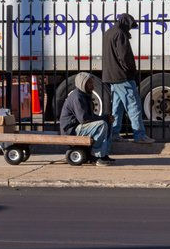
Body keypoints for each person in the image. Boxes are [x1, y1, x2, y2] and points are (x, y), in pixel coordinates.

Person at [102, 13, 154, 144]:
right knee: (133, 106)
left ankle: (113, 133)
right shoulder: (120, 34)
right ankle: (139, 135)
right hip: (122, 77)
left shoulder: (109, 32)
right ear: (126, 23)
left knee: (116, 107)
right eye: (130, 26)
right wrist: (132, 70)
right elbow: (124, 56)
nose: (130, 29)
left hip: (111, 76)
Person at [59, 72, 114, 166]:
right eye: (89, 83)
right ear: (82, 84)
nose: (92, 86)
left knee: (107, 122)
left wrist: (105, 118)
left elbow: (90, 116)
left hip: (79, 126)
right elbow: (84, 119)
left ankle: (103, 154)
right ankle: (96, 156)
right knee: (102, 124)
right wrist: (103, 119)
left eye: (92, 83)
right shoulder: (77, 97)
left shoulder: (85, 95)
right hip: (71, 129)